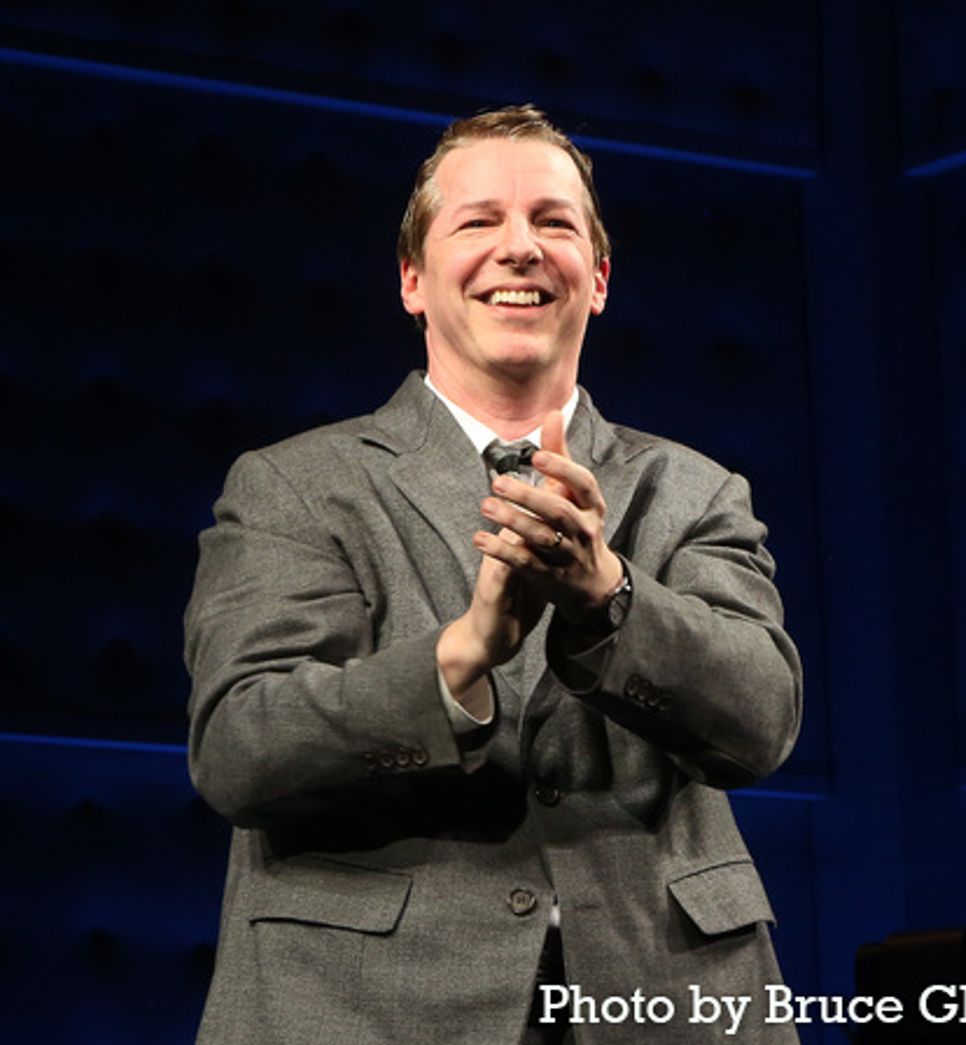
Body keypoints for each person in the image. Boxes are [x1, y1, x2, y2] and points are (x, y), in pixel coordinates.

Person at [183, 104, 803, 1044]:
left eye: (553, 222)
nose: (520, 248)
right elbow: (243, 748)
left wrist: (609, 595)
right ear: (412, 281)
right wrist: (461, 654)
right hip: (367, 1008)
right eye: (479, 221)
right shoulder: (296, 485)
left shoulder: (694, 489)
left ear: (596, 279)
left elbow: (761, 720)